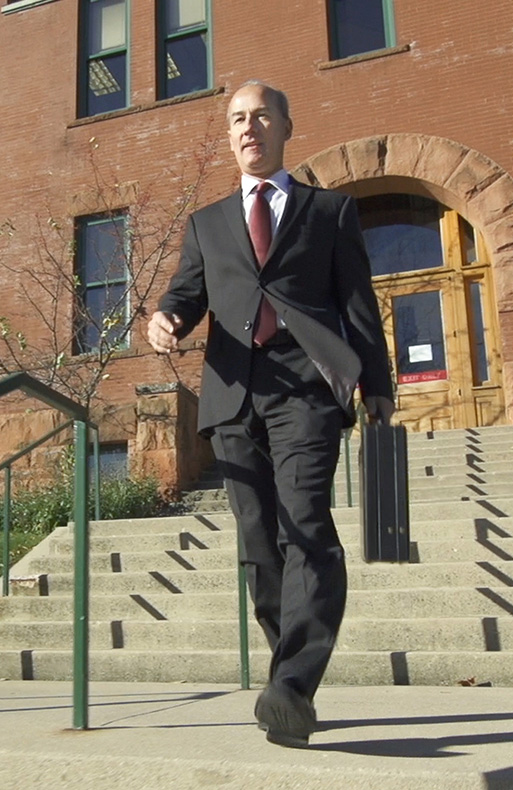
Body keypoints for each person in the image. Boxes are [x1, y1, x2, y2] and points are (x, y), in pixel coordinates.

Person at [147, 80, 394, 748]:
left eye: (260, 115)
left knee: (305, 525)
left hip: (307, 391)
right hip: (232, 397)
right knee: (259, 545)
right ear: (229, 135)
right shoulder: (207, 222)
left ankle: (289, 689)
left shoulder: (329, 211)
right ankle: (289, 670)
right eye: (236, 119)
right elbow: (186, 292)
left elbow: (358, 305)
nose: (248, 127)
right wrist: (166, 318)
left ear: (286, 126)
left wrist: (378, 387)